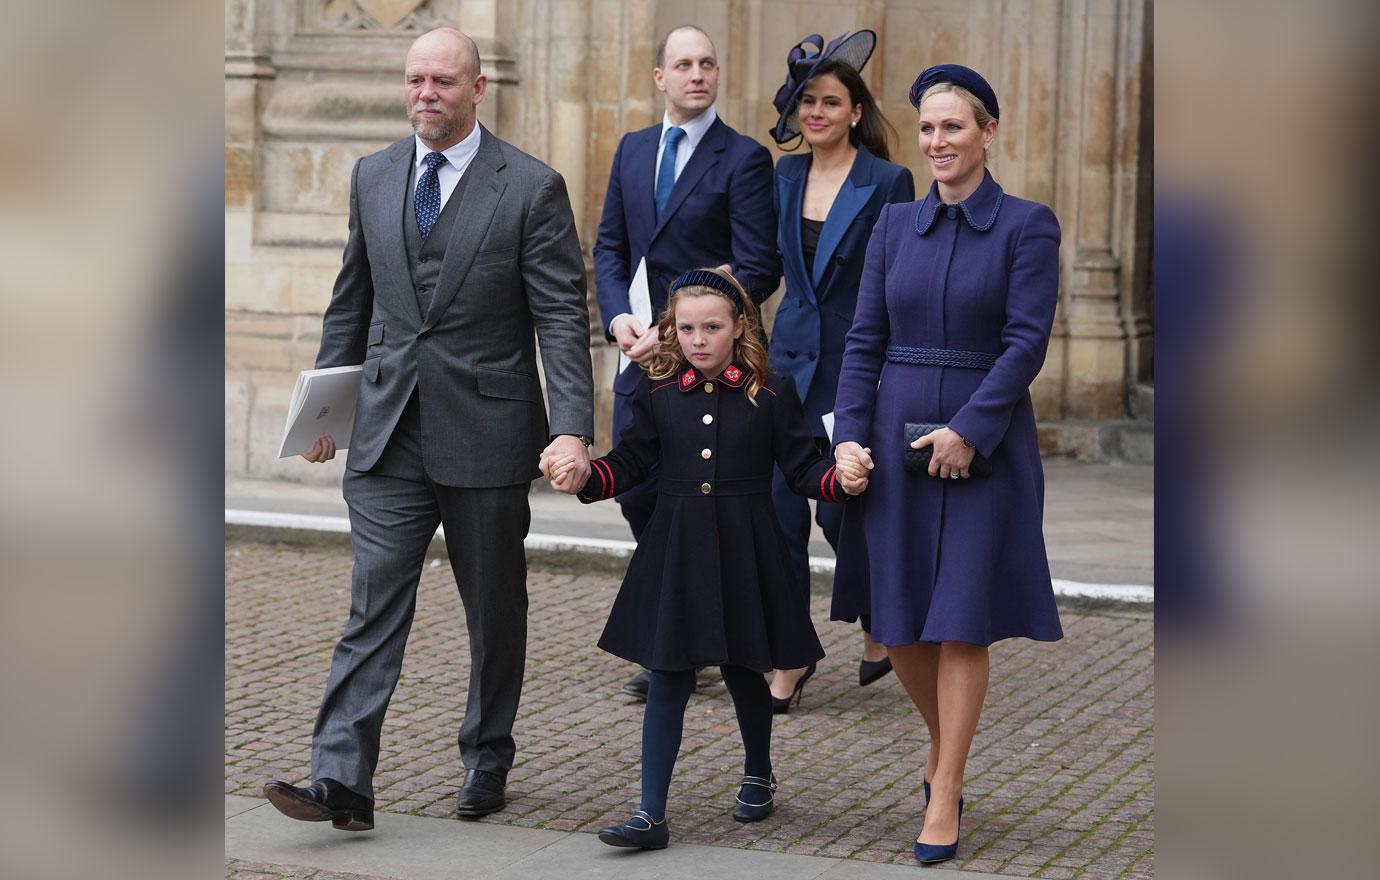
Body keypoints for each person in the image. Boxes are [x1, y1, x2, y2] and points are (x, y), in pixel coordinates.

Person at [262, 28, 595, 831]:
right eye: (415, 80)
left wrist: (575, 429)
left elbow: (559, 318)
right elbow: (353, 302)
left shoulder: (532, 186)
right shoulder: (374, 176)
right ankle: (341, 779)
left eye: (443, 81)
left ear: (478, 89)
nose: (425, 95)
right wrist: (325, 411)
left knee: (494, 612)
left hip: (488, 432)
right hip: (384, 434)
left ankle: (487, 753)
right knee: (370, 608)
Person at [543, 267, 868, 850]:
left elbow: (801, 470)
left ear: (739, 325)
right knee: (669, 672)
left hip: (747, 544)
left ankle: (758, 774)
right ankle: (650, 814)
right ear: (672, 330)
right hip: (677, 545)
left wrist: (841, 482)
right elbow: (634, 461)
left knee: (747, 670)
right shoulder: (659, 390)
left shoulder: (772, 392)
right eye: (686, 328)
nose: (698, 339)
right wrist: (589, 476)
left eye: (712, 327)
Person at [829, 64, 1064, 864]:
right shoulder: (893, 227)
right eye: (927, 128)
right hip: (892, 442)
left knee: (960, 619)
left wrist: (971, 428)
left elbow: (1026, 343)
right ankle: (945, 751)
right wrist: (847, 438)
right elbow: (863, 343)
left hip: (984, 447)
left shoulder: (1030, 226)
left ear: (988, 132)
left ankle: (946, 784)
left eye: (953, 127)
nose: (937, 142)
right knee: (896, 623)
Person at [593, 24, 780, 700]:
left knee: (699, 497)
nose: (697, 74)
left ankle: (682, 640)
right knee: (639, 493)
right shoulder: (634, 148)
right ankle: (685, 620)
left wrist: (681, 327)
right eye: (683, 64)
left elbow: (759, 264)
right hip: (636, 350)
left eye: (707, 64)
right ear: (660, 78)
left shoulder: (744, 158)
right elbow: (610, 246)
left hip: (705, 355)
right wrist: (618, 319)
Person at [763, 31, 915, 712]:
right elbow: (768, 269)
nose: (816, 113)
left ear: (855, 111)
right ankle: (791, 655)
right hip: (785, 366)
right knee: (776, 513)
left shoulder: (888, 182)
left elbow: (899, 284)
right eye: (806, 103)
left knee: (838, 511)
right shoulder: (784, 175)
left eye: (830, 102)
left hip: (856, 368)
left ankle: (881, 615)